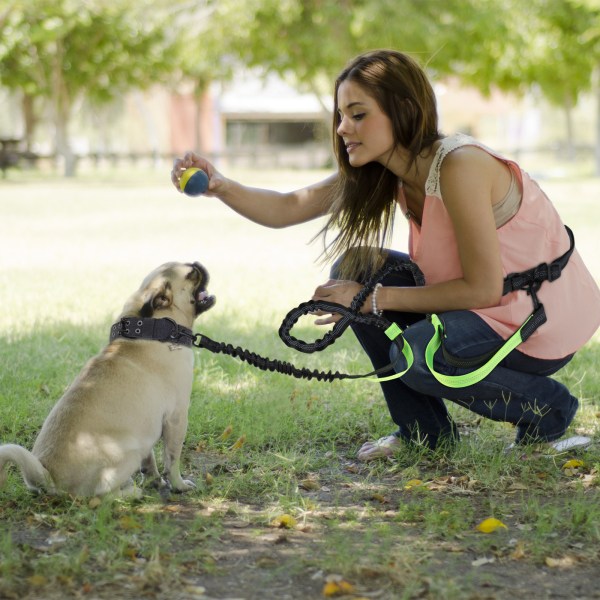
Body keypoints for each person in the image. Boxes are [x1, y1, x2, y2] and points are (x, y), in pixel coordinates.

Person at [171, 49, 600, 461]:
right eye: (341, 115)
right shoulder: (386, 171)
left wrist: (372, 299)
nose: (342, 127)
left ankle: (549, 410)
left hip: (536, 320)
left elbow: (484, 288)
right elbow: (288, 206)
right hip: (485, 310)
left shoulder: (460, 166)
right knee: (357, 268)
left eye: (358, 114)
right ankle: (424, 434)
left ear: (404, 110)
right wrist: (220, 185)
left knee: (415, 351)